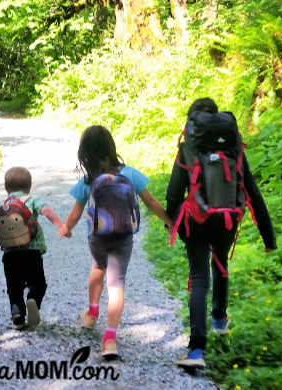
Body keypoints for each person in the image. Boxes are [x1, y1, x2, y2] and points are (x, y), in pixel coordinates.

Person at [167, 97, 277, 369]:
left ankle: (196, 351)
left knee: (199, 276)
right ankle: (219, 321)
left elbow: (172, 194)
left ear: (193, 122)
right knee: (221, 263)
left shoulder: (188, 150)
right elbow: (252, 191)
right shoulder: (234, 150)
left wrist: (175, 225)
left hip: (196, 221)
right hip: (228, 219)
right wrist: (268, 238)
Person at [60, 125, 174, 359]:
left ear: (85, 154)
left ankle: (91, 314)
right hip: (123, 237)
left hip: (97, 238)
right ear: (111, 147)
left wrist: (66, 228)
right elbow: (150, 201)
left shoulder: (88, 180)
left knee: (97, 268)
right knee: (116, 284)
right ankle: (110, 339)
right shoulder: (129, 174)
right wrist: (169, 220)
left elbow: (75, 213)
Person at [0, 167, 68, 330]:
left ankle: (17, 316)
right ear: (29, 187)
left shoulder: (5, 205)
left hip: (10, 254)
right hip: (32, 252)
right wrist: (61, 226)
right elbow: (47, 211)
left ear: (7, 189)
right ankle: (33, 300)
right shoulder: (32, 200)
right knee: (38, 283)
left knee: (14, 287)